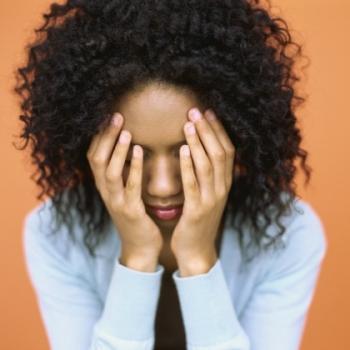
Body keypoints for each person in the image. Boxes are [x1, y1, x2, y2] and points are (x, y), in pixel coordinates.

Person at [15, 0, 328, 349]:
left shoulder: (286, 236)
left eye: (187, 151)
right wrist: (136, 257)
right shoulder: (57, 235)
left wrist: (198, 260)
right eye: (133, 154)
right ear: (92, 146)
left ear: (234, 138)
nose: (162, 187)